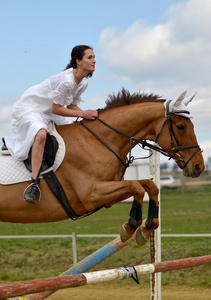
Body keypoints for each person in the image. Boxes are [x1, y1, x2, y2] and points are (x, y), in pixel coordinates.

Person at [4, 45, 98, 203]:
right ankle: (34, 184)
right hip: (30, 107)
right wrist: (83, 114)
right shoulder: (67, 82)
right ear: (78, 61)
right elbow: (56, 108)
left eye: (94, 57)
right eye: (90, 57)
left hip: (49, 111)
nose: (94, 61)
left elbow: (71, 106)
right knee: (40, 135)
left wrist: (87, 116)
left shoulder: (82, 83)